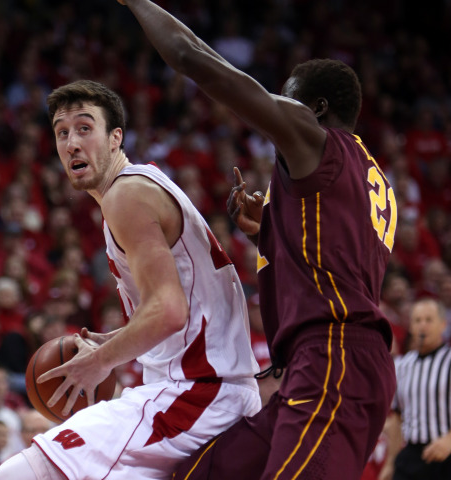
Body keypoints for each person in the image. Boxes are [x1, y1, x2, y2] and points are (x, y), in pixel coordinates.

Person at [116, 2, 398, 479]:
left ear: (317, 109)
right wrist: (269, 223)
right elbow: (336, 257)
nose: (277, 109)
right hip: (323, 365)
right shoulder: (373, 182)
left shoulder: (316, 140)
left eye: (285, 99)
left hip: (335, 357)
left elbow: (194, 59)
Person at [0, 80, 261, 480]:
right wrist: (119, 339)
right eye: (61, 133)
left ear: (116, 137)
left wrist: (99, 362)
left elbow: (169, 311)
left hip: (197, 394)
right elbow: (179, 308)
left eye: (85, 128)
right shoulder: (141, 185)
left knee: (12, 478)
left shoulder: (126, 195)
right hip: (212, 393)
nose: (71, 144)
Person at [380, 298, 451, 480]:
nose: (423, 325)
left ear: (443, 325)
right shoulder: (401, 365)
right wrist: (390, 462)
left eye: (429, 320)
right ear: (410, 327)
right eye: (417, 320)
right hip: (411, 456)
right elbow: (397, 417)